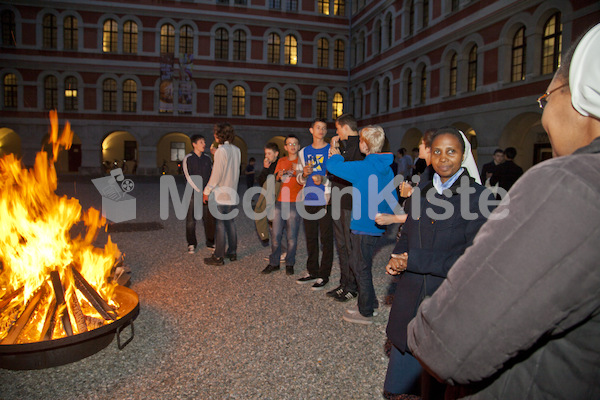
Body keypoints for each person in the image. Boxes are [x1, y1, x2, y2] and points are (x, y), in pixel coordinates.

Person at [407, 24, 600, 399]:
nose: (543, 113)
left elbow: (447, 343)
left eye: (547, 98)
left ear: (582, 93)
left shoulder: (571, 184)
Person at [383, 127, 494, 397]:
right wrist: (397, 257)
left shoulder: (478, 198)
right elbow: (408, 232)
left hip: (446, 301)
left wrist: (415, 259)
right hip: (410, 301)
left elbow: (473, 259)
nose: (443, 158)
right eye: (437, 151)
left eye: (451, 151)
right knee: (404, 381)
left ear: (463, 155)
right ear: (429, 156)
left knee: (437, 385)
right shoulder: (421, 192)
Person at [327, 125, 398, 324]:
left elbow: (333, 167)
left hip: (362, 225)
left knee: (359, 266)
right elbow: (393, 198)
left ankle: (366, 311)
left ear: (364, 145)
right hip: (376, 224)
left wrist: (335, 154)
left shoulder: (364, 167)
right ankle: (369, 303)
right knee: (363, 264)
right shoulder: (386, 168)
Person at [326, 113, 364, 302]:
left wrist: (338, 156)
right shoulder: (344, 147)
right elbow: (332, 172)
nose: (336, 132)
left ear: (345, 127)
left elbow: (353, 174)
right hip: (338, 201)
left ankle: (353, 287)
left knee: (349, 247)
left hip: (350, 204)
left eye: (338, 128)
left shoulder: (359, 147)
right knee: (341, 246)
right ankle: (344, 283)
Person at [295, 119, 333, 291]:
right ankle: (312, 271)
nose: (321, 130)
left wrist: (323, 180)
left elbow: (336, 176)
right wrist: (304, 173)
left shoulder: (331, 151)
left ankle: (324, 275)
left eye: (324, 128)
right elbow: (298, 178)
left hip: (325, 199)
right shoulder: (304, 152)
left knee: (326, 238)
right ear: (311, 130)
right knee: (310, 237)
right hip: (308, 197)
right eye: (318, 127)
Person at [375, 128, 436, 227]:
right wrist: (411, 191)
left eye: (422, 143)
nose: (419, 145)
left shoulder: (432, 173)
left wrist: (393, 219)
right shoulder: (429, 171)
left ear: (428, 148)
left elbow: (427, 211)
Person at [261, 135, 303, 276]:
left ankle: (290, 263)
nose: (292, 146)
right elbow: (276, 177)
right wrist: (282, 174)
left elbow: (304, 177)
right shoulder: (281, 160)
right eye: (289, 144)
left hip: (295, 203)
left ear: (298, 146)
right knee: (276, 235)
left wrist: (292, 172)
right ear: (285, 147)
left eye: (295, 144)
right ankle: (274, 263)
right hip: (279, 202)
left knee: (292, 237)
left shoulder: (302, 161)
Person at [203, 123, 241, 266]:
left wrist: (207, 191)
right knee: (230, 222)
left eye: (215, 133)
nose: (214, 135)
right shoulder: (236, 150)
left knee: (220, 225)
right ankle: (232, 252)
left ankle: (218, 256)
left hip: (221, 193)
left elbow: (217, 174)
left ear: (219, 135)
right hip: (232, 191)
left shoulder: (221, 151)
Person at [183, 134, 215, 253]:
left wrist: (208, 190)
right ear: (194, 144)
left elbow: (213, 175)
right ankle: (191, 243)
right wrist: (199, 190)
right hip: (192, 194)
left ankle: (210, 242)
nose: (204, 144)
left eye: (204, 142)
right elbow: (188, 176)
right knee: (191, 220)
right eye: (201, 142)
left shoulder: (207, 158)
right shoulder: (188, 158)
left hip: (207, 193)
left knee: (209, 220)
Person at [254, 143, 281, 245]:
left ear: (276, 153)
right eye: (266, 154)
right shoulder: (268, 165)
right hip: (269, 196)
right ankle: (272, 244)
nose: (267, 156)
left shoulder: (280, 164)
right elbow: (261, 181)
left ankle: (281, 250)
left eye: (269, 153)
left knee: (275, 223)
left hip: (277, 198)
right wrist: (265, 168)